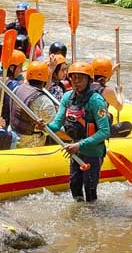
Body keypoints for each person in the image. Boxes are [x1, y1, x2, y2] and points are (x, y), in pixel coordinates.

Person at [47, 62, 111, 202]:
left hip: (93, 152)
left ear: (89, 80)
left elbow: (105, 131)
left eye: (80, 78)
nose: (76, 82)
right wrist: (44, 127)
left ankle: (92, 219)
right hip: (75, 150)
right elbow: (57, 124)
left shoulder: (97, 101)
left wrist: (80, 145)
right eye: (73, 78)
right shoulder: (67, 97)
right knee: (75, 186)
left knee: (90, 191)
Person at [9, 61, 57, 148]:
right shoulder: (45, 102)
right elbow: (56, 129)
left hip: (12, 138)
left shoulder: (17, 89)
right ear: (45, 80)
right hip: (31, 144)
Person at [91, 56, 132, 137]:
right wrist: (119, 93)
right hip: (97, 131)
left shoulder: (85, 83)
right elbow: (119, 107)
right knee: (128, 126)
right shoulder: (107, 91)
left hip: (86, 125)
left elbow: (102, 78)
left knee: (110, 116)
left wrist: (113, 69)